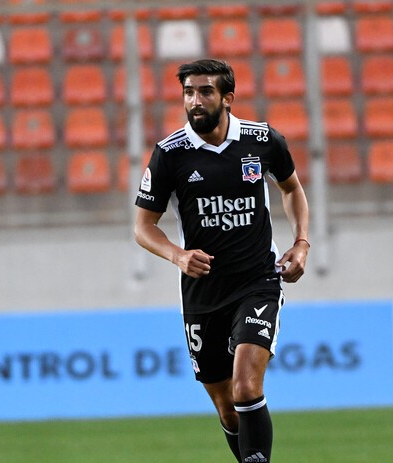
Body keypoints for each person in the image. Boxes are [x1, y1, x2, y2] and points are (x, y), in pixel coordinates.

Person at [133, 59, 310, 463]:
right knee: (228, 407)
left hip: (257, 282)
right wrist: (177, 255)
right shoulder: (169, 155)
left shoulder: (262, 141)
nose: (195, 101)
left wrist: (301, 243)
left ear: (227, 98)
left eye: (205, 92)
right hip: (202, 293)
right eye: (188, 93)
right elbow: (144, 227)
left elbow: (292, 189)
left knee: (246, 387)